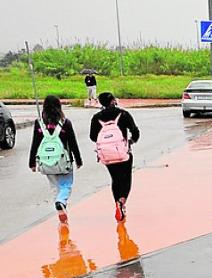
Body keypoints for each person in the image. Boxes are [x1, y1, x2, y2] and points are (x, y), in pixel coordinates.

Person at [28, 94, 83, 224]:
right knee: (66, 185)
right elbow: (73, 143)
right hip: (64, 161)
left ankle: (60, 209)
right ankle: (61, 202)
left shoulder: (39, 123)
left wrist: (32, 163)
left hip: (46, 162)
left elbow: (34, 143)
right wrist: (78, 160)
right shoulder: (65, 123)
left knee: (54, 187)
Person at [90, 92, 141, 221]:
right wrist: (130, 141)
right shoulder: (123, 114)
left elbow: (92, 137)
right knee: (126, 178)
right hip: (123, 152)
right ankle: (121, 202)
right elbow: (135, 131)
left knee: (115, 179)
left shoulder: (96, 118)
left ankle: (116, 202)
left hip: (107, 155)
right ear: (113, 100)